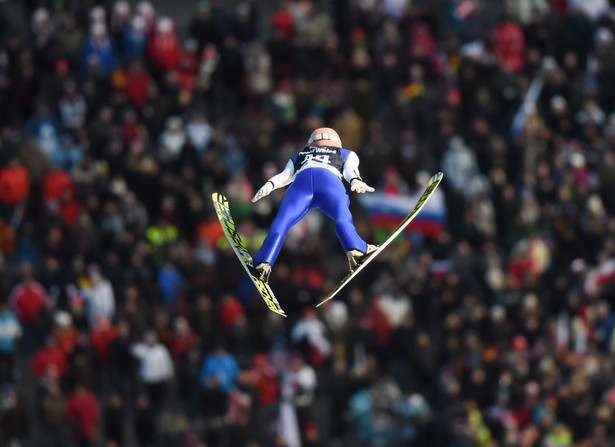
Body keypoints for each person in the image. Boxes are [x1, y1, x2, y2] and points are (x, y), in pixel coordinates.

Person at [251, 127, 376, 280]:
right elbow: (350, 171)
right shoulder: (345, 153)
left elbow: (285, 176)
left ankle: (263, 260)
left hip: (301, 185)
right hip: (329, 182)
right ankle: (356, 248)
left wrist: (269, 184)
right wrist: (356, 181)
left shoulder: (300, 155)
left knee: (282, 222)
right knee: (341, 216)